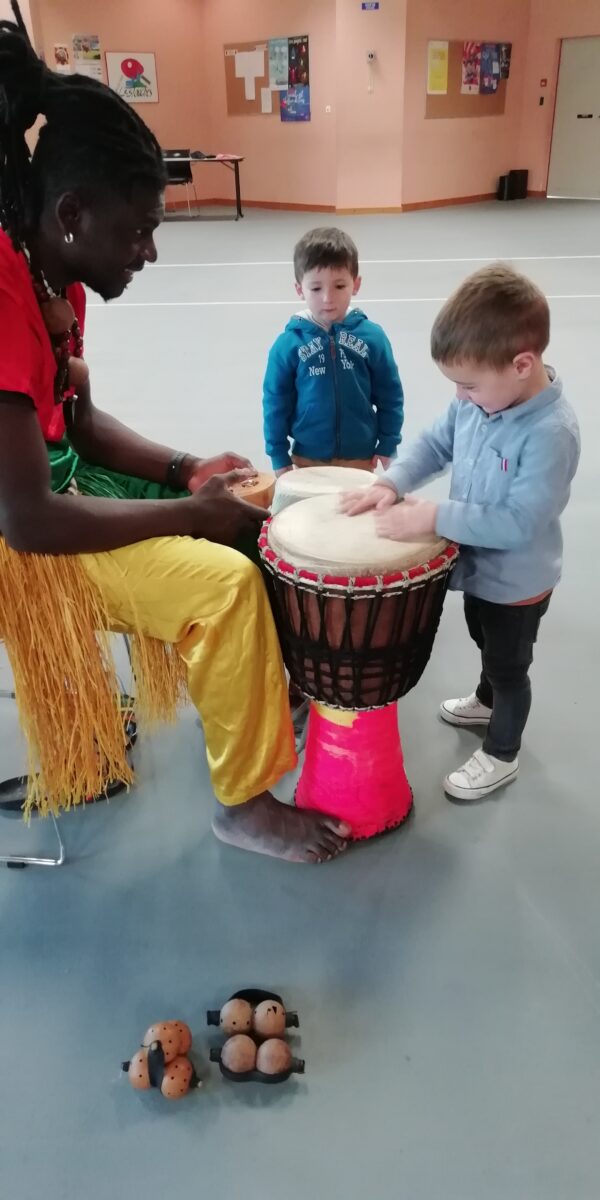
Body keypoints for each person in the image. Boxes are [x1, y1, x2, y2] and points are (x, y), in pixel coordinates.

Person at [0, 6, 350, 862]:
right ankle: (246, 805)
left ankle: (261, 694)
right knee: (222, 588)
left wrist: (188, 469)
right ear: (74, 212)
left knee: (247, 506)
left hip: (55, 485)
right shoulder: (6, 295)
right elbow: (29, 520)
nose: (149, 252)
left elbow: (80, 424)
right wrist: (190, 514)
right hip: (20, 534)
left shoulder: (50, 269)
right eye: (140, 230)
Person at [341, 264, 580, 801]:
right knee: (482, 638)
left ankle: (502, 752)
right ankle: (486, 700)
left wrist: (432, 516)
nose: (462, 396)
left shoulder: (550, 434)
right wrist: (392, 483)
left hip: (518, 584)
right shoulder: (479, 399)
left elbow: (519, 522)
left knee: (509, 666)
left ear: (522, 365)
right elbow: (435, 444)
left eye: (469, 385)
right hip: (477, 571)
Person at [262, 227, 404, 476]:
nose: (328, 298)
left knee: (357, 503)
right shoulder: (288, 345)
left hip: (360, 457)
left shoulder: (373, 338)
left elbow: (390, 394)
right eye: (316, 289)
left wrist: (388, 441)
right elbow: (275, 402)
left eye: (339, 286)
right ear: (299, 289)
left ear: (356, 284)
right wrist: (278, 454)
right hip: (308, 459)